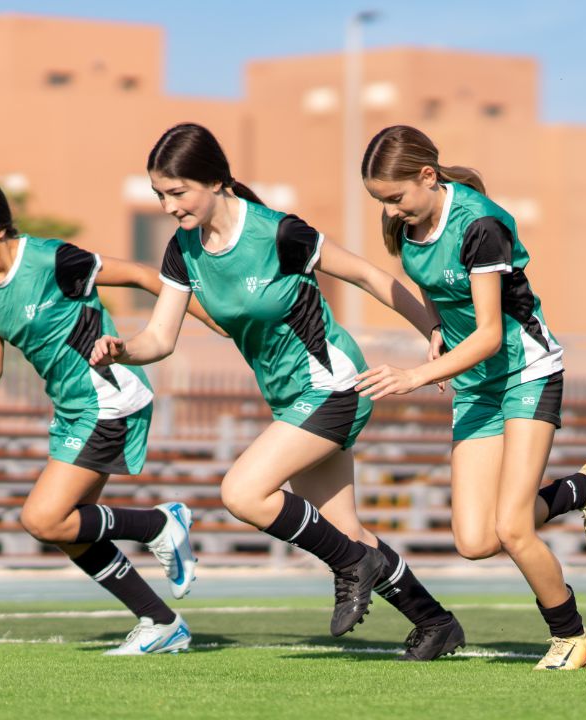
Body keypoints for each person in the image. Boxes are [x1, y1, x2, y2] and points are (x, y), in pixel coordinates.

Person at [92, 123, 465, 661]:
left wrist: (434, 332)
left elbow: (365, 275)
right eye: (159, 195)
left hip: (334, 384)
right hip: (292, 400)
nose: (169, 205)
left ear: (216, 181)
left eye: (177, 192)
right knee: (344, 528)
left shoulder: (278, 233)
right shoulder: (183, 251)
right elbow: (159, 338)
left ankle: (352, 565)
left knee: (243, 493)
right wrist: (123, 350)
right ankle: (435, 622)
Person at [0, 177, 216, 654]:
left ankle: (160, 525)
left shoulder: (51, 260)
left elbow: (142, 275)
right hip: (73, 410)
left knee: (42, 518)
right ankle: (160, 622)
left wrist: (212, 318)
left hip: (108, 399)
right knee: (71, 530)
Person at [358, 125, 586, 671]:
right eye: (380, 201)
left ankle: (571, 635)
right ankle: (584, 487)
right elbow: (433, 286)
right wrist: (433, 328)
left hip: (527, 370)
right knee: (476, 540)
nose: (390, 211)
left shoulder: (481, 226)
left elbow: (491, 335)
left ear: (428, 176)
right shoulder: (404, 227)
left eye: (396, 197)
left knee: (513, 528)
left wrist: (414, 377)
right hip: (477, 384)